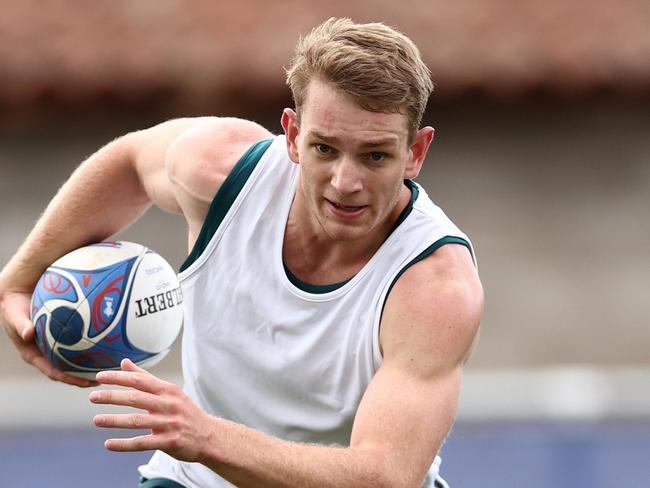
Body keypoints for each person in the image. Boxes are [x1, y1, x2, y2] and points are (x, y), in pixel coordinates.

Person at [0, 17, 483, 488]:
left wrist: (206, 435)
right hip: (194, 479)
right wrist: (18, 280)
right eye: (324, 149)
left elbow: (383, 476)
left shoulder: (436, 287)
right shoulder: (221, 171)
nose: (345, 182)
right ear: (293, 135)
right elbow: (130, 162)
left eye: (374, 155)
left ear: (415, 153)